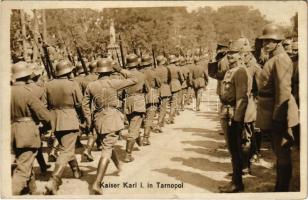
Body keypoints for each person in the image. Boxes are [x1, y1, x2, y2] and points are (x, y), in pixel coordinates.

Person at [82, 58, 138, 194]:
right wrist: (120, 69)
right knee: (107, 149)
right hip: (111, 118)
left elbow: (85, 105)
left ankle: (118, 165)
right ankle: (97, 183)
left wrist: (89, 121)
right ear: (110, 70)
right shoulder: (113, 83)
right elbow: (134, 79)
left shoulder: (91, 85)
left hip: (98, 119)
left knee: (108, 143)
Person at [256, 24, 299, 191]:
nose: (265, 44)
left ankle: (282, 190)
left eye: (270, 41)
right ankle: (280, 187)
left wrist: (278, 119)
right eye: (264, 41)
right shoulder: (274, 58)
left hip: (280, 113)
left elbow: (283, 92)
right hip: (273, 110)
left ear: (278, 42)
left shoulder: (280, 60)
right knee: (279, 152)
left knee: (282, 153)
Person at [44, 60, 85, 195]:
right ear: (68, 71)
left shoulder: (48, 85)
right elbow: (79, 103)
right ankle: (54, 181)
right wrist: (84, 119)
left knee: (66, 147)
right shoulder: (72, 84)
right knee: (67, 151)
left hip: (55, 119)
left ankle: (76, 171)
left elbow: (45, 103)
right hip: (69, 118)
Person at [11, 61, 51, 195]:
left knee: (24, 162)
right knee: (22, 170)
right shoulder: (27, 92)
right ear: (27, 75)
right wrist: (49, 125)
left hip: (13, 132)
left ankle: (33, 191)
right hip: (27, 132)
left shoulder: (8, 91)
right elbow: (44, 115)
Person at [218, 39, 250, 193]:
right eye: (229, 53)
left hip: (233, 114)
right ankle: (235, 180)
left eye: (234, 53)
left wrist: (237, 119)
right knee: (231, 149)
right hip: (226, 111)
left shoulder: (241, 71)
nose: (230, 56)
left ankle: (237, 183)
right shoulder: (230, 70)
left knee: (235, 148)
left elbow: (242, 98)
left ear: (241, 55)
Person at [25, 63, 51, 174]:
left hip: (19, 122)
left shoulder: (19, 89)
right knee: (36, 145)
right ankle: (41, 167)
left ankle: (42, 165)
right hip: (36, 122)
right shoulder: (40, 89)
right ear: (36, 77)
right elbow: (44, 107)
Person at [123, 54, 148, 162]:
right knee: (133, 129)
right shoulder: (141, 75)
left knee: (133, 125)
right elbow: (147, 89)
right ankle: (128, 155)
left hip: (127, 102)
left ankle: (138, 140)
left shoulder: (124, 75)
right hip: (138, 101)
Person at [140, 55, 160, 144]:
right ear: (150, 63)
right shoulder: (153, 72)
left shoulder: (139, 72)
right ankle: (145, 137)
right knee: (150, 116)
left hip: (140, 96)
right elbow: (159, 83)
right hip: (151, 94)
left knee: (141, 116)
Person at [155, 55, 172, 131]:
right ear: (163, 61)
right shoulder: (166, 69)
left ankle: (161, 122)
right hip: (165, 88)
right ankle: (159, 123)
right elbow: (169, 79)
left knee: (157, 107)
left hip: (156, 89)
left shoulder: (154, 69)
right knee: (163, 107)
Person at [167, 55, 184, 123]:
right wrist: (179, 83)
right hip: (176, 85)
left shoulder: (166, 68)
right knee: (174, 102)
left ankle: (171, 116)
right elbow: (182, 78)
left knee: (170, 101)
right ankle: (170, 117)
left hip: (168, 86)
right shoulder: (177, 68)